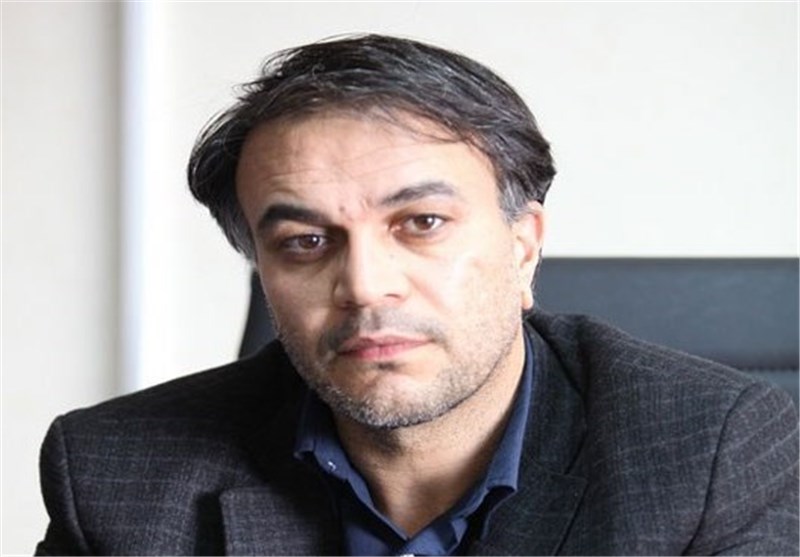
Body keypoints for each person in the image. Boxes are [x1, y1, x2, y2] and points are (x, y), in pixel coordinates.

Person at [36, 34, 798, 556]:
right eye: (305, 241)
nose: (366, 285)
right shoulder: (118, 476)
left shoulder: (710, 455)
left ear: (523, 244)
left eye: (422, 223)